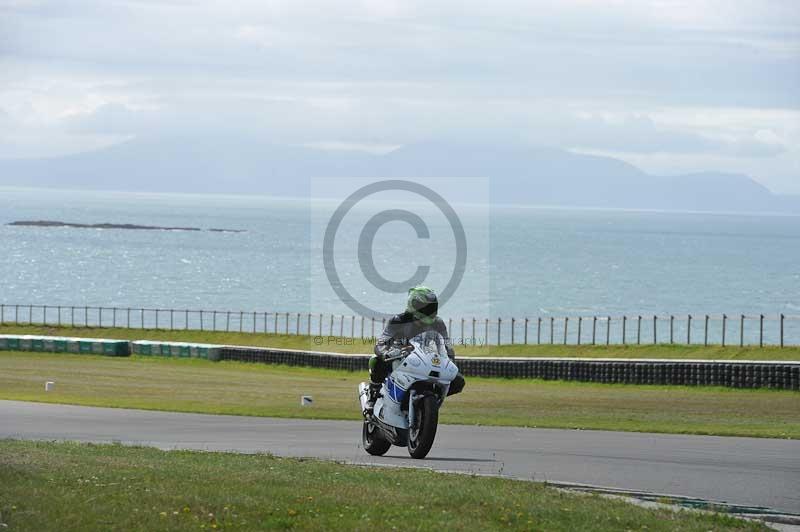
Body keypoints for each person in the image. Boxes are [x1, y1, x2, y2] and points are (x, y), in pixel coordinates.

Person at [366, 286, 466, 411]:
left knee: (458, 381)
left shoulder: (438, 323)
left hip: (424, 360)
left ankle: (430, 400)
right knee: (376, 360)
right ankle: (373, 394)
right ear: (413, 305)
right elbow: (381, 344)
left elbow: (447, 346)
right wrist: (386, 353)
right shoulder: (398, 320)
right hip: (400, 358)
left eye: (431, 307)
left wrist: (450, 360)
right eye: (425, 307)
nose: (429, 311)